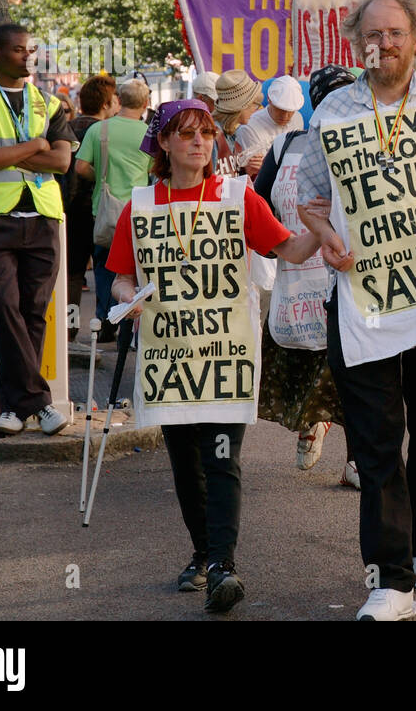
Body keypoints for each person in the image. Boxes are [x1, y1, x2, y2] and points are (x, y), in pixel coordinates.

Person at [297, 0, 416, 621]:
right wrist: (325, 239)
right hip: (365, 300)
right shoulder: (332, 109)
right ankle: (391, 578)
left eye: (394, 34)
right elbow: (311, 197)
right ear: (357, 42)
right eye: (369, 36)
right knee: (379, 441)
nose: (381, 45)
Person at [106, 100, 318, 613]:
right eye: (186, 134)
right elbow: (121, 277)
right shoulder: (141, 205)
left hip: (226, 355)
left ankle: (224, 565)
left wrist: (328, 235)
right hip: (170, 358)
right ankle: (201, 554)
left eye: (205, 133)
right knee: (186, 465)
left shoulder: (237, 197)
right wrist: (126, 300)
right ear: (163, 144)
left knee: (222, 460)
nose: (200, 142)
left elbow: (288, 250)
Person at [0, 23, 78, 436]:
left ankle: (12, 409)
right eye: (19, 50)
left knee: (33, 313)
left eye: (31, 50)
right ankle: (40, 404)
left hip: (42, 216)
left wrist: (5, 153)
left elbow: (61, 163)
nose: (28, 57)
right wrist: (35, 146)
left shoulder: (49, 103)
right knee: (6, 309)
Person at [254, 65, 358, 486]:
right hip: (298, 280)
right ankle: (311, 422)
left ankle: (357, 461)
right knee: (307, 369)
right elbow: (258, 206)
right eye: (333, 96)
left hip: (351, 280)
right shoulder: (285, 148)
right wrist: (274, 246)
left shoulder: (368, 145)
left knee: (356, 374)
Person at [76, 79, 151, 342]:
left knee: (105, 267)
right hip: (139, 210)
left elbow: (80, 167)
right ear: (145, 103)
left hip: (105, 210)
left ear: (119, 99)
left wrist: (101, 178)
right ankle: (131, 327)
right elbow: (155, 171)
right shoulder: (148, 133)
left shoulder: (100, 130)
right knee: (136, 269)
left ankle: (107, 320)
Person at [63, 75, 118, 340]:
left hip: (70, 209)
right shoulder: (107, 132)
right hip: (101, 208)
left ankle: (69, 328)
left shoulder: (67, 129)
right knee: (106, 268)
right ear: (106, 104)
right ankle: (106, 325)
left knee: (72, 274)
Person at [235, 74, 305, 180]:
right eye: (280, 109)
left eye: (290, 111)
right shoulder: (249, 127)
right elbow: (257, 172)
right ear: (269, 100)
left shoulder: (298, 118)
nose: (285, 116)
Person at [213, 70, 260, 177]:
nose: (255, 108)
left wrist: (247, 169)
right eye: (253, 103)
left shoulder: (230, 133)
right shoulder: (211, 136)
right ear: (240, 107)